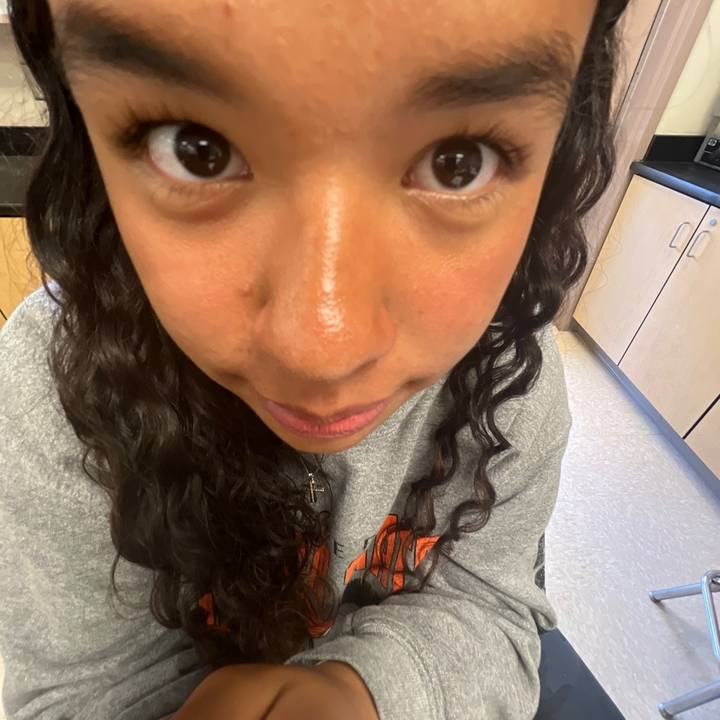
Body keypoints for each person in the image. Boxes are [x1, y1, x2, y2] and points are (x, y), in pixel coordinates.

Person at [0, 0, 630, 718]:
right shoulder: (54, 390)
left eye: (457, 164)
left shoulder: (509, 373)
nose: (323, 353)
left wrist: (360, 690)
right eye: (198, 150)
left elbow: (491, 603)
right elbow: (73, 692)